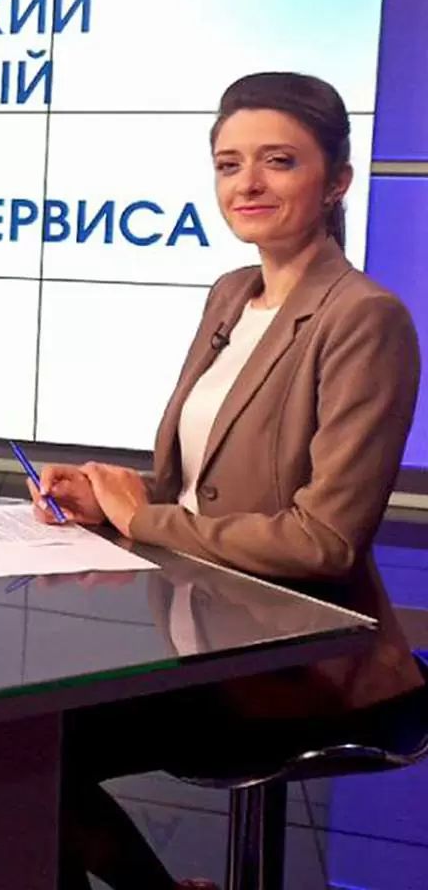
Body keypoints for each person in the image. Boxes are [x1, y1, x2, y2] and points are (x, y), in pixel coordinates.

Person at [31, 71, 425, 890]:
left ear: (337, 181)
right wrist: (109, 500)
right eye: (228, 164)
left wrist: (142, 522)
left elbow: (324, 541)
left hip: (311, 664)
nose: (247, 184)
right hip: (209, 636)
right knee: (19, 742)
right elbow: (199, 487)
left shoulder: (365, 317)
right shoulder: (231, 295)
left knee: (39, 749)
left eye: (278, 161)